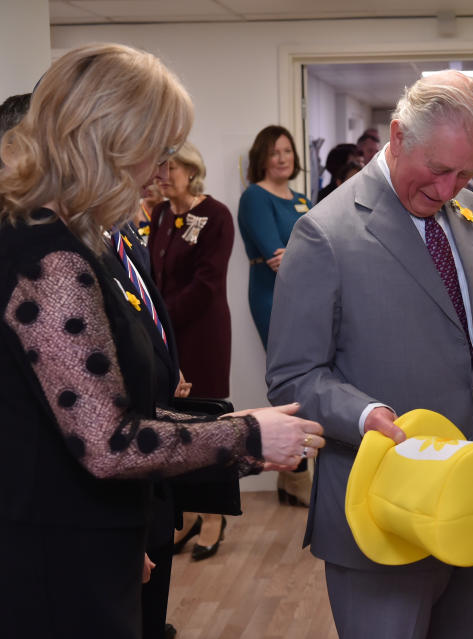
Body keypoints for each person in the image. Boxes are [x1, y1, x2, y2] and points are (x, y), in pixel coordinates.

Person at [0, 42, 324, 639]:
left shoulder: (51, 236)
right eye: (159, 147)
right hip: (50, 559)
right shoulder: (51, 258)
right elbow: (106, 442)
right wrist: (247, 435)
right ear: (108, 142)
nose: (161, 170)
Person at [266, 69, 473, 639]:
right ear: (397, 137)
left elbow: (462, 324)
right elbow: (294, 376)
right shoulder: (324, 233)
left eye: (467, 172)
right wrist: (365, 414)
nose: (450, 190)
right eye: (440, 170)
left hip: (472, 498)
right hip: (382, 507)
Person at [149, 141, 236, 559]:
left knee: (205, 421)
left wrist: (159, 319)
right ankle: (189, 513)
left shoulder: (215, 215)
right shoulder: (162, 214)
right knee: (176, 422)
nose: (161, 173)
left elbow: (206, 283)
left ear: (190, 170)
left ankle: (214, 516)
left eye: (169, 166)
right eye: (160, 166)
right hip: (166, 335)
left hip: (201, 333)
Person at [237, 125, 314, 508]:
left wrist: (301, 258)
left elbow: (317, 252)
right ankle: (296, 470)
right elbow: (275, 256)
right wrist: (305, 259)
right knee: (290, 377)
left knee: (307, 376)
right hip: (272, 295)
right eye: (274, 152)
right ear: (261, 159)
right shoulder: (254, 196)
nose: (282, 158)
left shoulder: (301, 198)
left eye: (287, 151)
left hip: (305, 295)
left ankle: (293, 472)